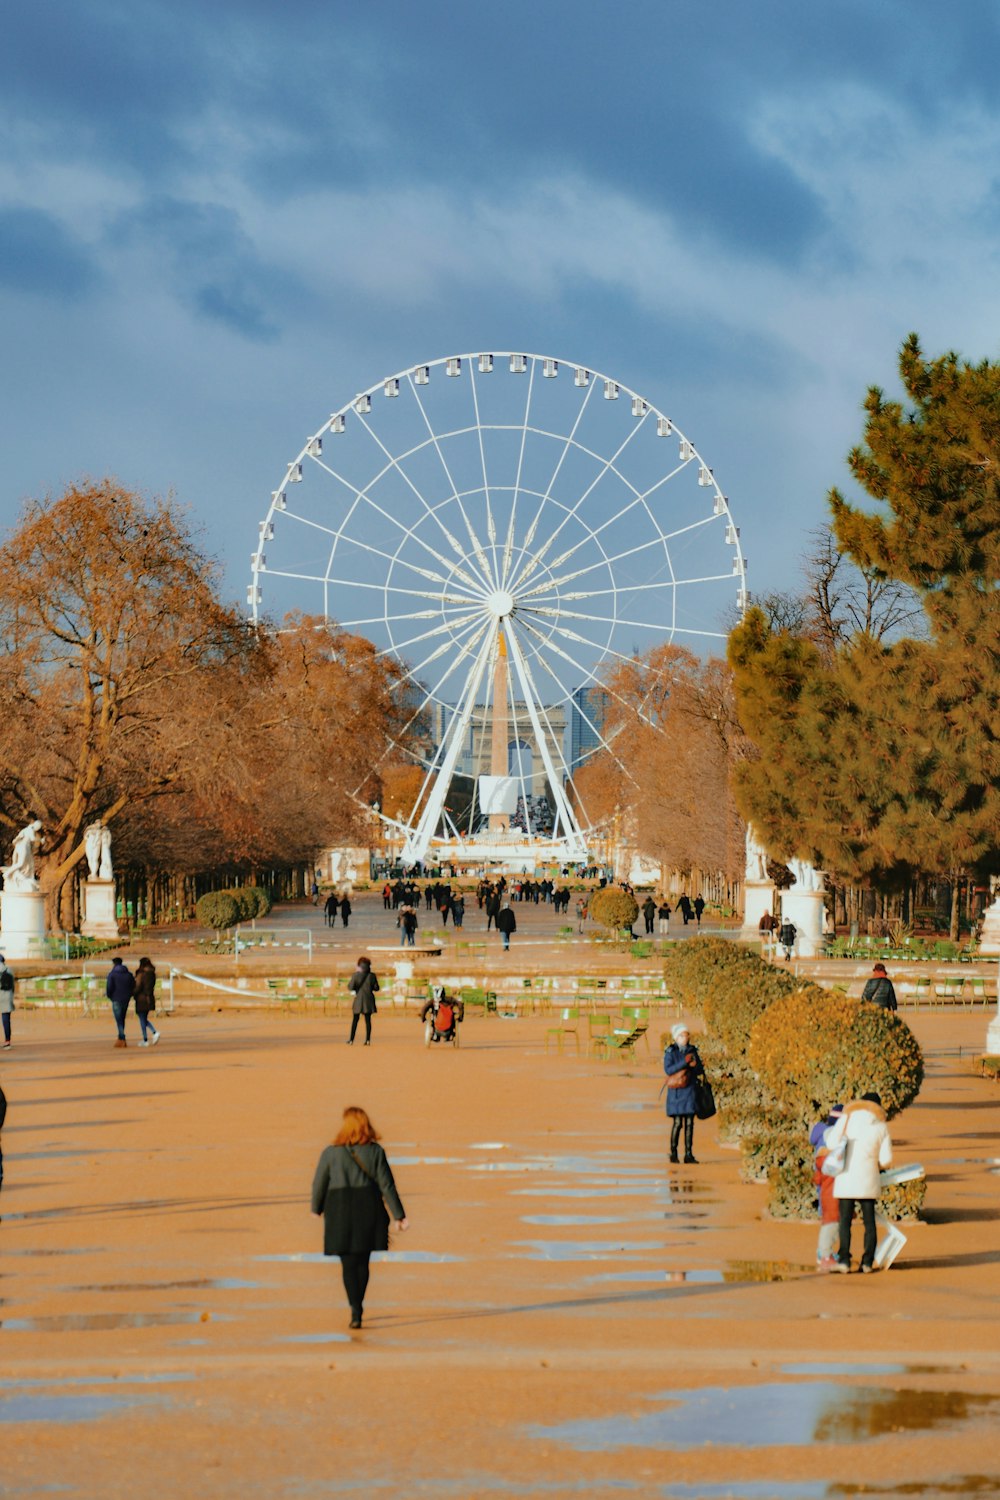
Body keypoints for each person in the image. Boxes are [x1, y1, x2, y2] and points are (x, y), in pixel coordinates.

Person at [311, 1105, 408, 1329]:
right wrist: (399, 1215)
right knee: (363, 1262)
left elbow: (319, 1183)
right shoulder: (375, 1152)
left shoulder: (330, 1153)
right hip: (368, 1207)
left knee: (348, 1262)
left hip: (340, 1209)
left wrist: (316, 1208)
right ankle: (359, 1306)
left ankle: (355, 1308)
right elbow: (387, 1185)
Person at [826, 1091, 893, 1273]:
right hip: (868, 1179)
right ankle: (867, 1262)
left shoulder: (846, 1119)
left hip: (846, 1179)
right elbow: (886, 1159)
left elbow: (831, 1143)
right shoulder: (881, 1126)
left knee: (845, 1221)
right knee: (869, 1222)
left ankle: (845, 1260)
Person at [662, 1022, 705, 1164]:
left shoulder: (692, 1050)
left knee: (689, 1124)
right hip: (676, 1093)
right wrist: (684, 1063)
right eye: (681, 1035)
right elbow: (669, 1070)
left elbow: (699, 1070)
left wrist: (695, 1065)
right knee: (678, 1123)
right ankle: (673, 1153)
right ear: (676, 1037)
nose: (684, 1038)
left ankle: (688, 1154)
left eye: (686, 1035)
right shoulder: (670, 1051)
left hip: (690, 1091)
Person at [810, 1103, 844, 1271]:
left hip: (823, 1187)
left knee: (827, 1219)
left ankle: (825, 1253)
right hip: (832, 1188)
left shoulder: (820, 1139)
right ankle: (825, 1255)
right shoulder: (834, 1146)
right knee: (831, 1222)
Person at [347, 957, 379, 1046]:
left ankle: (351, 1040)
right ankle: (368, 1040)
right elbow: (376, 988)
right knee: (368, 1021)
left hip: (358, 1000)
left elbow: (350, 987)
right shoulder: (372, 975)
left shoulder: (356, 975)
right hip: (369, 1000)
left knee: (355, 1020)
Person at [106, 957, 135, 1049]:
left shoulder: (112, 974)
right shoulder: (129, 974)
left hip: (116, 998)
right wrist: (130, 994)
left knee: (119, 1019)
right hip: (126, 998)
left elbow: (109, 987)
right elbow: (133, 985)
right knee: (122, 1018)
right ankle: (120, 1037)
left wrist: (109, 996)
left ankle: (122, 1038)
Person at [133, 957, 161, 1046]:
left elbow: (138, 986)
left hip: (141, 999)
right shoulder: (152, 973)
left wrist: (132, 993)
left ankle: (147, 1037)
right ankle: (152, 1034)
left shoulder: (141, 974)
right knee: (143, 1018)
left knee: (142, 1019)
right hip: (150, 998)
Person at [0, 955, 14, 1049]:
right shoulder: (9, 969)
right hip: (7, 997)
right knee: (6, 1020)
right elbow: (13, 986)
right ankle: (7, 1041)